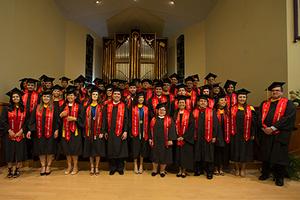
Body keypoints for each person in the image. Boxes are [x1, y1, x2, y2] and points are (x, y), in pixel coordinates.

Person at [258, 82, 296, 186]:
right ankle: (265, 173)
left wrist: (273, 127)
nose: (275, 92)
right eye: (273, 91)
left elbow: (288, 118)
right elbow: (259, 117)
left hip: (280, 133)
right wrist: (264, 127)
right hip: (266, 133)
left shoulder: (288, 103)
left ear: (282, 92)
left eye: (277, 90)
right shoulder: (264, 103)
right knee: (266, 154)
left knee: (280, 156)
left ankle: (279, 177)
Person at [27, 90, 60, 176]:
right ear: (42, 98)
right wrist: (30, 130)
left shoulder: (54, 108)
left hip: (51, 132)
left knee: (49, 150)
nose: (46, 98)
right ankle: (43, 166)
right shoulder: (37, 107)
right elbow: (32, 120)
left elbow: (57, 120)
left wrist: (56, 129)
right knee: (41, 150)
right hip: (39, 132)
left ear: (50, 98)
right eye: (44, 96)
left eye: (48, 97)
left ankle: (48, 166)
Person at [0, 88, 28, 178]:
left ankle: (16, 169)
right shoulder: (6, 108)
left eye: (17, 96)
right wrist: (9, 130)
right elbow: (3, 121)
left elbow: (26, 122)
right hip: (9, 135)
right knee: (9, 152)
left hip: (20, 134)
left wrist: (21, 130)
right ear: (11, 98)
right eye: (13, 97)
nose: (15, 98)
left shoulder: (24, 109)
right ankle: (9, 169)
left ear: (20, 98)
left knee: (18, 152)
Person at [102, 88, 129, 175]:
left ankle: (120, 168)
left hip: (120, 131)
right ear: (112, 95)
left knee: (121, 149)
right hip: (110, 131)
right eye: (115, 94)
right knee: (111, 150)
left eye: (118, 94)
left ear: (120, 96)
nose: (117, 95)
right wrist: (105, 131)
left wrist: (125, 131)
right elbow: (105, 119)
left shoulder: (124, 105)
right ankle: (113, 168)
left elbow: (126, 119)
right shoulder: (107, 105)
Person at [230, 89, 256, 177]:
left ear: (246, 98)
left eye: (244, 97)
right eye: (240, 97)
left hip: (246, 133)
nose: (242, 98)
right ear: (237, 98)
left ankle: (243, 169)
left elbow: (253, 123)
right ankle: (237, 168)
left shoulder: (250, 108)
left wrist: (252, 133)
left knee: (245, 151)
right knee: (236, 150)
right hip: (235, 133)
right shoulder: (232, 108)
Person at [193, 94, 220, 179]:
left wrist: (214, 136)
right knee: (197, 153)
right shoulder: (194, 112)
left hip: (209, 136)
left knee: (209, 153)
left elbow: (216, 125)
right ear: (198, 102)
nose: (203, 103)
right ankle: (198, 169)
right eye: (201, 101)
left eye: (204, 101)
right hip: (197, 136)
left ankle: (209, 171)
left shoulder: (212, 112)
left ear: (207, 103)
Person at [59, 86, 84, 175]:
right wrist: (61, 116)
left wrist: (75, 119)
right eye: (68, 95)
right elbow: (57, 120)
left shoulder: (79, 107)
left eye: (72, 95)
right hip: (65, 131)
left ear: (75, 97)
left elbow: (83, 121)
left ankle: (76, 166)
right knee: (67, 150)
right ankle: (69, 166)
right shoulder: (63, 106)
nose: (70, 97)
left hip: (75, 131)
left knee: (75, 150)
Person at [149, 102, 177, 177]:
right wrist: (150, 138)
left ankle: (162, 171)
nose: (162, 111)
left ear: (166, 111)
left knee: (165, 156)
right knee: (155, 155)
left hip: (165, 141)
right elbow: (150, 129)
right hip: (156, 140)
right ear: (157, 110)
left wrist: (171, 139)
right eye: (160, 110)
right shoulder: (153, 119)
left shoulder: (169, 119)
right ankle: (154, 170)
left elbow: (172, 129)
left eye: (164, 110)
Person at [83, 87, 106, 176]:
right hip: (89, 130)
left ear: (98, 96)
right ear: (91, 96)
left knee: (97, 149)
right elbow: (85, 120)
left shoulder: (101, 107)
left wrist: (102, 132)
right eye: (93, 94)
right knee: (90, 149)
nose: (95, 96)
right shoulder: (87, 107)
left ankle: (97, 167)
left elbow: (104, 120)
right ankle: (92, 167)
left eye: (96, 94)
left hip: (98, 130)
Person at [129, 92, 150, 174]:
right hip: (135, 131)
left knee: (143, 148)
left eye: (142, 98)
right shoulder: (133, 108)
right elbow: (130, 120)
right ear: (137, 99)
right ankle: (135, 165)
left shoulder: (146, 108)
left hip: (144, 131)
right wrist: (130, 130)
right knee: (135, 148)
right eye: (139, 97)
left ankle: (141, 165)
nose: (141, 99)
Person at [173, 95, 194, 178]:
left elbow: (191, 126)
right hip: (177, 138)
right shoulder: (175, 114)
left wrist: (184, 137)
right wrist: (176, 136)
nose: (181, 104)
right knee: (178, 155)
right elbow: (172, 126)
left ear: (185, 104)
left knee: (185, 155)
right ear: (177, 104)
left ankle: (184, 171)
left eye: (183, 102)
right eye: (180, 102)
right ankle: (179, 170)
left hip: (186, 139)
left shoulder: (189, 114)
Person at [214, 93, 229, 175]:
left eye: (225, 100)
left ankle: (221, 168)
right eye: (221, 100)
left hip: (225, 134)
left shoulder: (228, 111)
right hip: (216, 134)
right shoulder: (214, 111)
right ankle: (216, 168)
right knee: (216, 151)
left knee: (224, 151)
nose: (224, 101)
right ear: (217, 102)